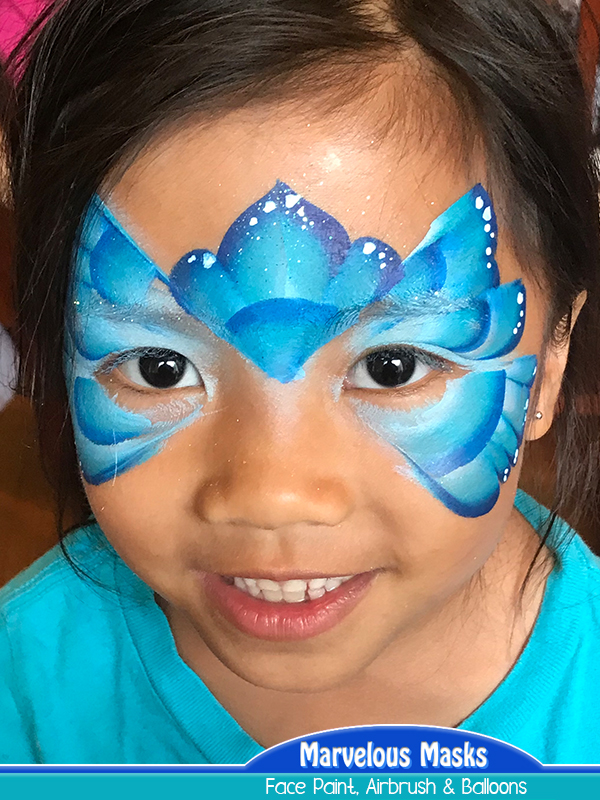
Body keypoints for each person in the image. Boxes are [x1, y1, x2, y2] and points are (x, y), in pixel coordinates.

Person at [1, 0, 600, 766]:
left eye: (394, 368)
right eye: (160, 368)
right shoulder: (28, 696)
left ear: (550, 363)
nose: (271, 495)